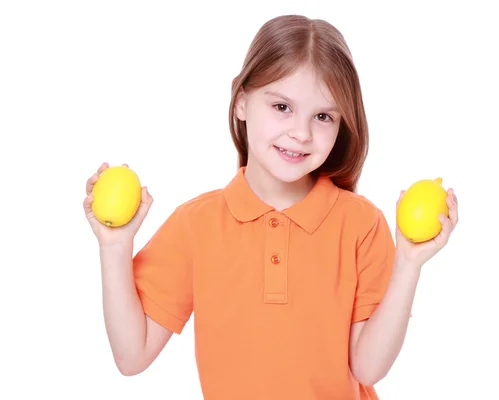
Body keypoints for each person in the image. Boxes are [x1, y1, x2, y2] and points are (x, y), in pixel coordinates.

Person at [83, 14, 459, 400]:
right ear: (242, 101)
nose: (301, 132)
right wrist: (114, 247)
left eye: (323, 116)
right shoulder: (196, 224)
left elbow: (367, 367)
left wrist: (408, 264)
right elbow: (132, 356)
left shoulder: (361, 224)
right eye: (282, 107)